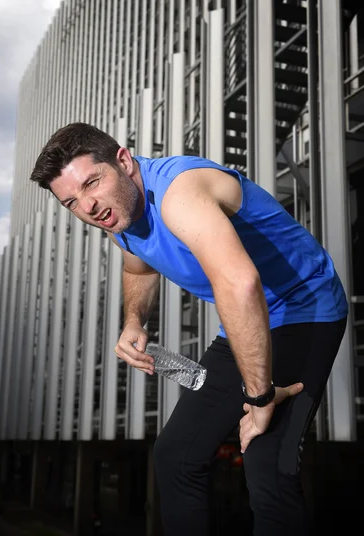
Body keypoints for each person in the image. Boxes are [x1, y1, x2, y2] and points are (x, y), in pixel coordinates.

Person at [30, 123, 348, 536]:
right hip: (242, 320)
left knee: (267, 465)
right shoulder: (116, 212)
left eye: (93, 182)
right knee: (175, 455)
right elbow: (137, 262)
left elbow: (240, 283)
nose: (89, 206)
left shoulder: (179, 194)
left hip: (306, 307)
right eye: (72, 201)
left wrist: (261, 395)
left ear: (124, 162)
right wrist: (133, 320)